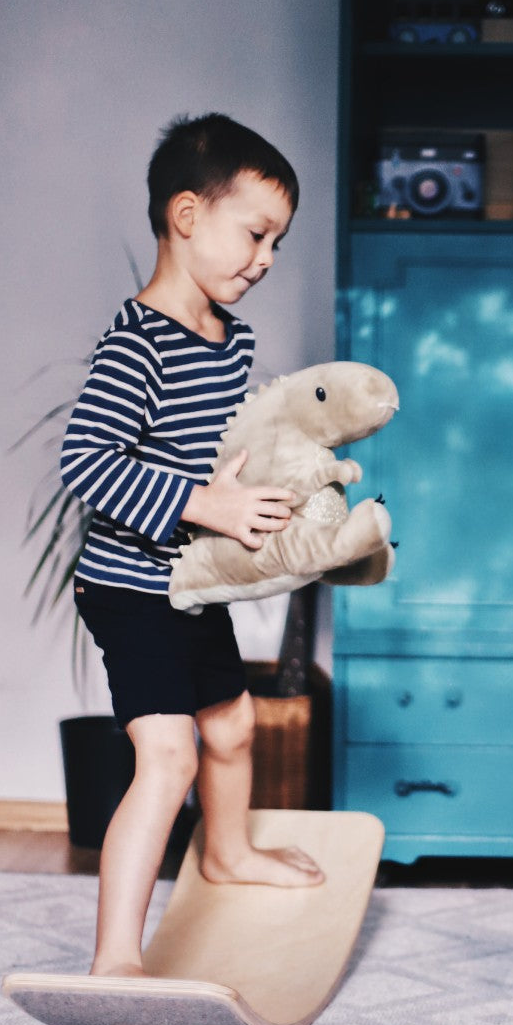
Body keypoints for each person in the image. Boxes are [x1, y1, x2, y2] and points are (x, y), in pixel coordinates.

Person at [60, 112, 324, 979]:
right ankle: (114, 957)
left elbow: (225, 453)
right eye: (255, 233)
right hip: (128, 587)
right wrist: (204, 502)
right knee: (168, 752)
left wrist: (274, 490)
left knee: (235, 727)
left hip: (190, 585)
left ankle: (227, 854)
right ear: (185, 216)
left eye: (278, 242)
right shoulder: (136, 344)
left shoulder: (232, 340)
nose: (266, 259)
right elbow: (87, 463)